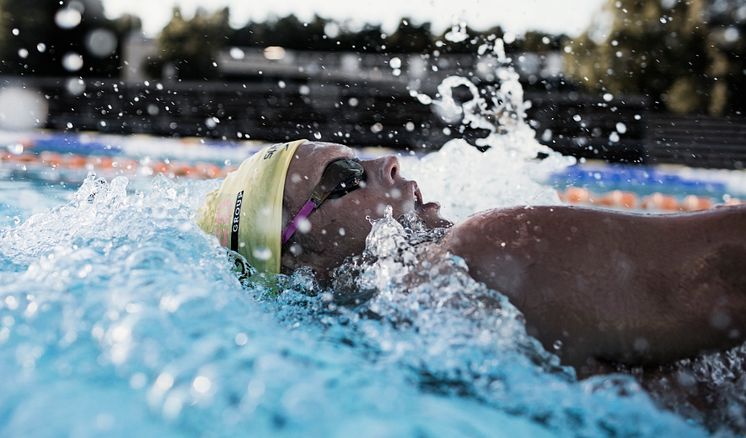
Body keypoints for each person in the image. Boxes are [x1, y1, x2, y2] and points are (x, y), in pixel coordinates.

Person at [197, 139, 746, 374]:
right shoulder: (481, 256)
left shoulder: (409, 346)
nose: (387, 162)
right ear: (304, 264)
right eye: (345, 176)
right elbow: (726, 270)